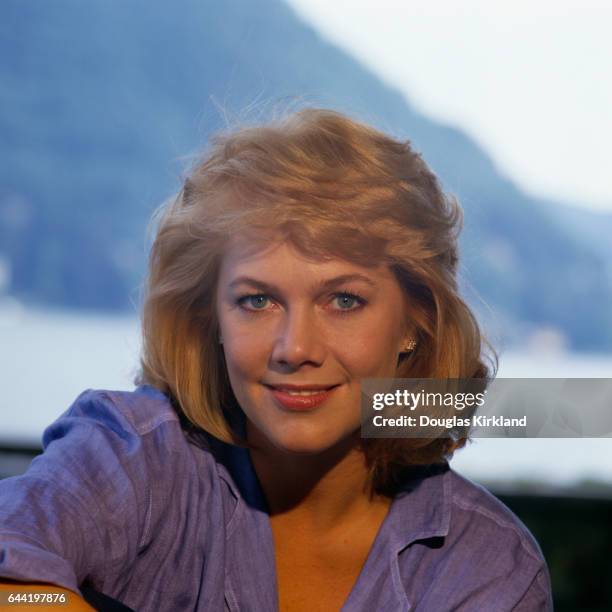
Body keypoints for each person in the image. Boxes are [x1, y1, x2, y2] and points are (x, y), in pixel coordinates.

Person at [0, 108, 553, 611]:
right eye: (257, 301)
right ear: (211, 317)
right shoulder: (135, 457)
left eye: (344, 300)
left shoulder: (488, 569)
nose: (296, 349)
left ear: (414, 321)